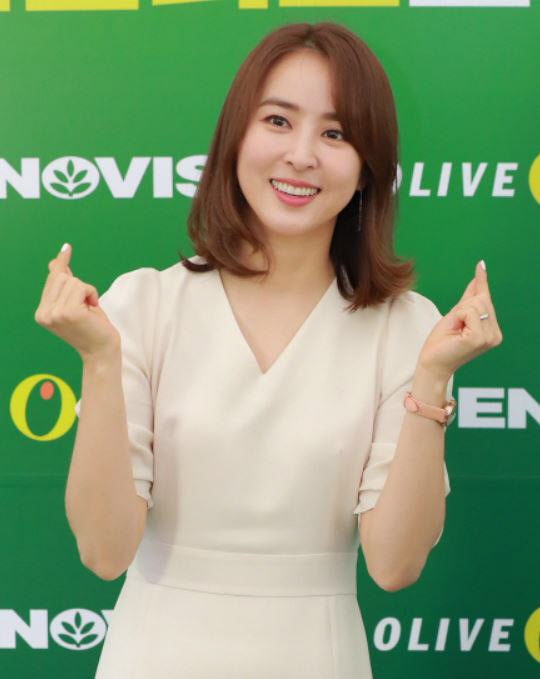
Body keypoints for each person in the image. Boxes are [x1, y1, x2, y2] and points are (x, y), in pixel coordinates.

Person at [34, 21, 502, 679]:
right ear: (236, 137)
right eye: (278, 121)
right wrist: (99, 360)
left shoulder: (406, 328)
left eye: (336, 134)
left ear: (368, 167)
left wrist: (432, 379)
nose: (301, 155)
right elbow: (104, 552)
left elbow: (395, 566)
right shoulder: (144, 305)